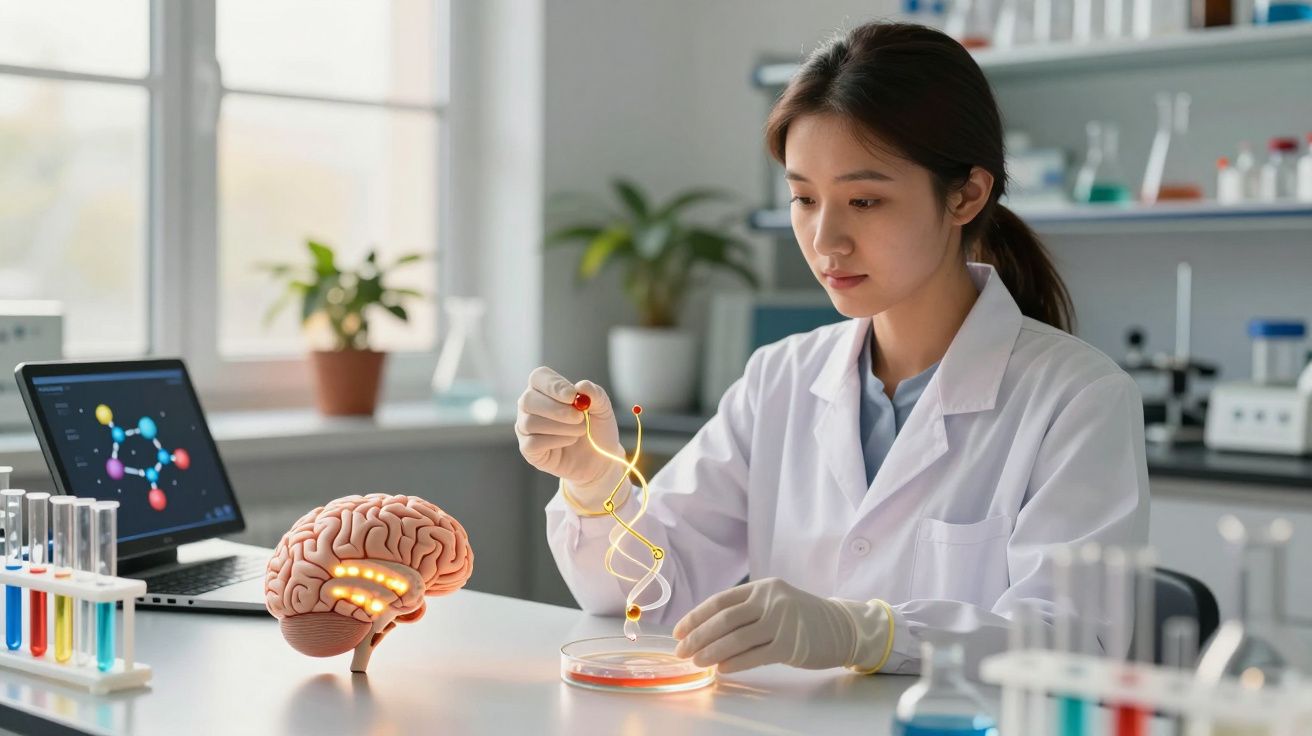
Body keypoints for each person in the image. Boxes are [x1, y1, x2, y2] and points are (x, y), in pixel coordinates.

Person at [516, 21, 1147, 677]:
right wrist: (596, 482)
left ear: (966, 194)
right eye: (803, 199)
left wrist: (866, 632)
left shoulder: (1078, 398)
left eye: (864, 199)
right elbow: (642, 591)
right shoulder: (780, 379)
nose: (825, 240)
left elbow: (1077, 641)